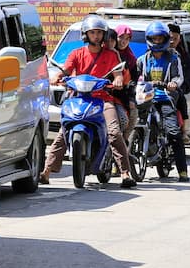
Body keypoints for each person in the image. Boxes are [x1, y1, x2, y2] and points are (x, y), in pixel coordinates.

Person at [39, 15, 135, 189]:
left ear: (104, 35)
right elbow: (66, 70)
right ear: (86, 34)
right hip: (79, 98)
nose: (96, 36)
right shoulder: (77, 53)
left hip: (103, 99)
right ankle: (46, 171)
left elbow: (118, 73)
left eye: (99, 33)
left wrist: (118, 80)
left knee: (114, 132)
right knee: (63, 132)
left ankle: (125, 173)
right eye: (92, 33)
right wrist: (57, 76)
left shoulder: (111, 55)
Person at [138, 22, 189, 182]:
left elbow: (179, 77)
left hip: (165, 97)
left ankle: (182, 171)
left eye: (160, 38)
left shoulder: (173, 58)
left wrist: (173, 84)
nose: (157, 41)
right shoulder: (143, 60)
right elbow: (136, 77)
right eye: (154, 38)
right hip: (146, 98)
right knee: (130, 125)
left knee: (173, 132)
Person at [113, 25, 140, 136]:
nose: (123, 42)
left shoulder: (131, 58)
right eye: (121, 37)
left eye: (127, 39)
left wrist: (131, 98)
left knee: (132, 114)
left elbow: (134, 80)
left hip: (122, 92)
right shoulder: (107, 52)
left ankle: (124, 140)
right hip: (102, 91)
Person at [167, 22, 190, 125]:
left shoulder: (183, 57)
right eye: (170, 38)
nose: (172, 41)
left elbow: (187, 78)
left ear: (180, 39)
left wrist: (177, 86)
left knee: (180, 102)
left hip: (173, 90)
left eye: (175, 39)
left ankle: (184, 129)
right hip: (154, 89)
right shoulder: (152, 54)